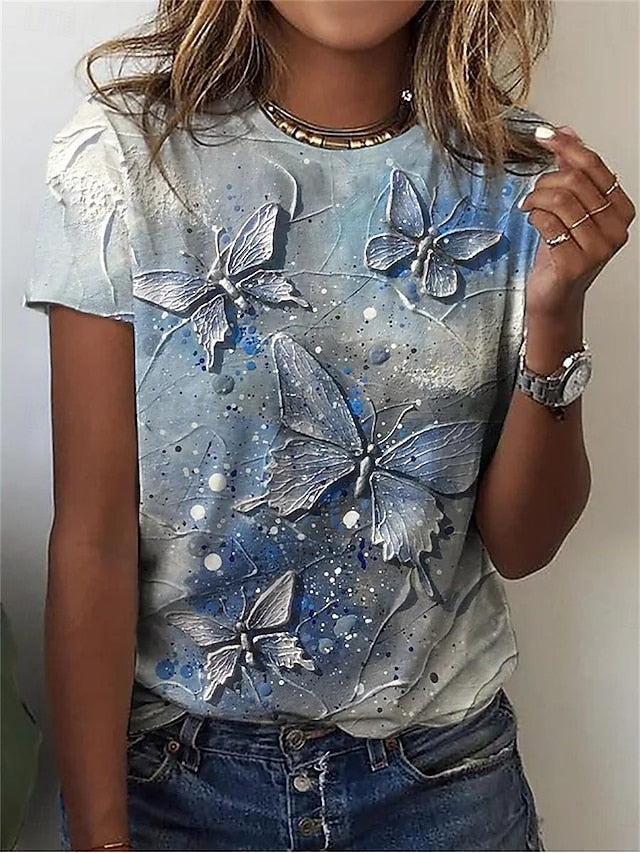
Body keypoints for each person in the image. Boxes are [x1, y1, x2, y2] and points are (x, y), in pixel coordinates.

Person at [22, 1, 635, 850]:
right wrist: (99, 836)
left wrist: (558, 313)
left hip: (441, 786)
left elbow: (523, 543)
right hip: (177, 784)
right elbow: (93, 538)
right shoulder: (127, 156)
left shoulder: (521, 180)